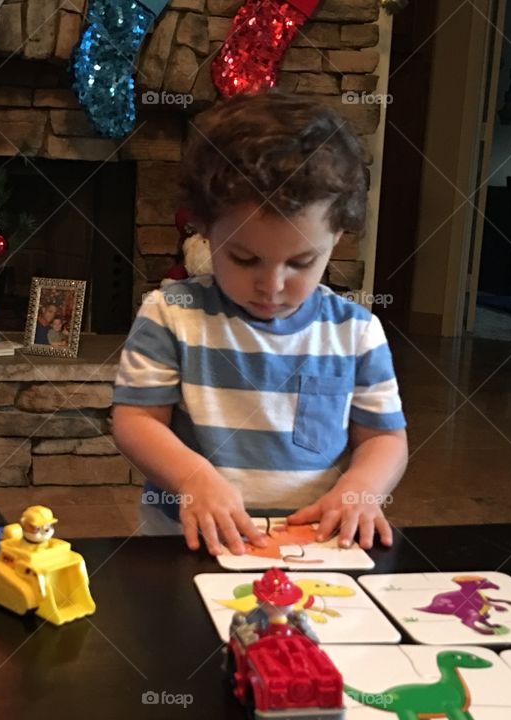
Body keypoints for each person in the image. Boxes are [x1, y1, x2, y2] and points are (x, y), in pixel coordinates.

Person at [111, 92, 408, 556]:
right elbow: (135, 420)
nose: (272, 285)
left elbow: (385, 437)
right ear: (205, 231)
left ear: (337, 237)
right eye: (245, 258)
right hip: (189, 541)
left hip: (314, 542)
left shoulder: (356, 332)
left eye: (301, 262)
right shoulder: (171, 314)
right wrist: (193, 479)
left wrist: (361, 489)